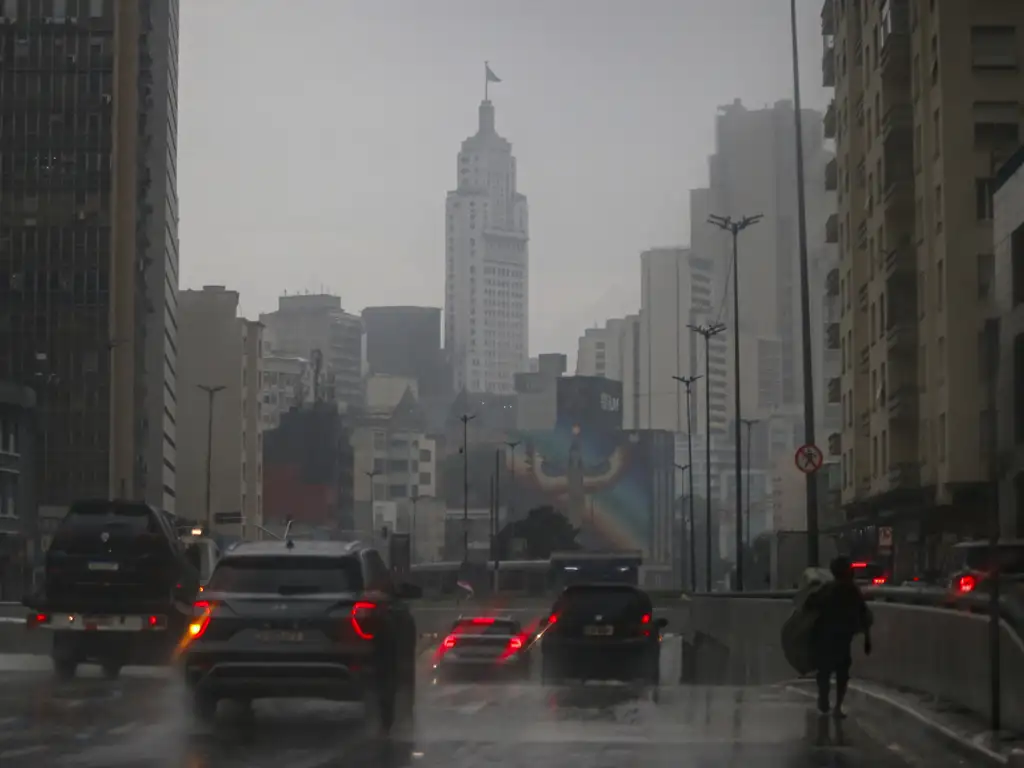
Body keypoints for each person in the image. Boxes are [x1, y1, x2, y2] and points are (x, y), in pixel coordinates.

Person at [807, 556, 873, 717]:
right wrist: (867, 637)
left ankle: (824, 700)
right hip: (842, 639)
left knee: (824, 671)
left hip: (826, 638)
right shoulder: (852, 591)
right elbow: (863, 614)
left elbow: (810, 605)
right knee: (841, 673)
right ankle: (837, 706)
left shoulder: (826, 589)